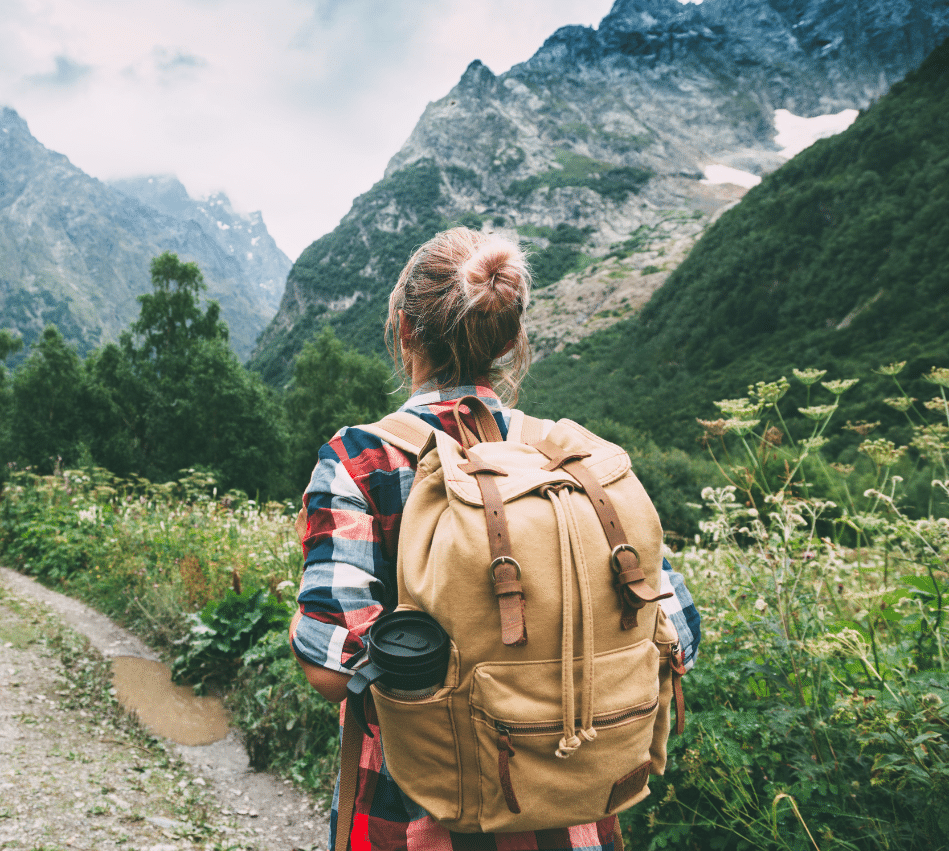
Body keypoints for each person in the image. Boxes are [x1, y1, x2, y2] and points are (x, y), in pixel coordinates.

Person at [289, 227, 701, 851]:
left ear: (404, 329)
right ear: (511, 340)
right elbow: (680, 637)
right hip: (576, 817)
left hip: (416, 817)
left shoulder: (363, 460)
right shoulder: (569, 461)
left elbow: (327, 664)